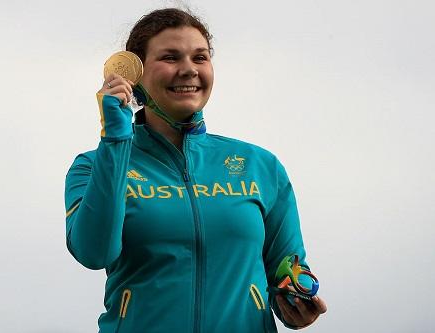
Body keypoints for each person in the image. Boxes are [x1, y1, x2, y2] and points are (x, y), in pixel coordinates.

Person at [64, 8, 327, 333]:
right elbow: (94, 251)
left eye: (200, 58)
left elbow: (286, 273)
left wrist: (295, 302)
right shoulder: (92, 166)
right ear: (134, 75)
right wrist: (116, 140)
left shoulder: (260, 166)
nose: (188, 70)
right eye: (171, 58)